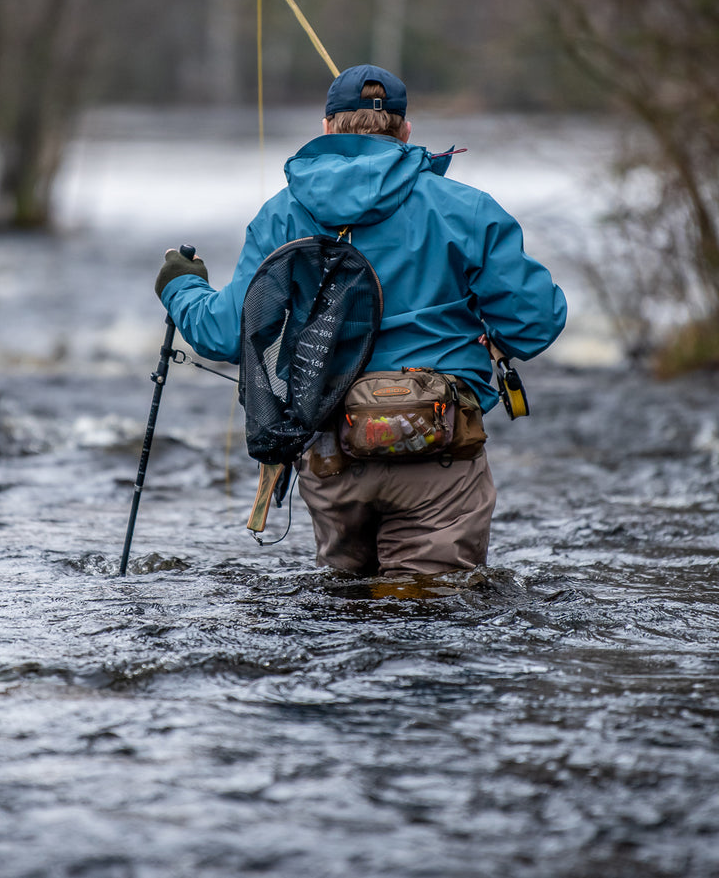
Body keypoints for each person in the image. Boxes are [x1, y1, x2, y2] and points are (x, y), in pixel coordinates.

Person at [153, 64, 567, 577]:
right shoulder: (467, 209)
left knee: (345, 621)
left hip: (332, 453)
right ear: (406, 132)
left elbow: (222, 333)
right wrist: (486, 333)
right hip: (438, 452)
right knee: (429, 619)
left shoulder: (281, 215)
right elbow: (537, 321)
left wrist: (180, 285)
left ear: (327, 129)